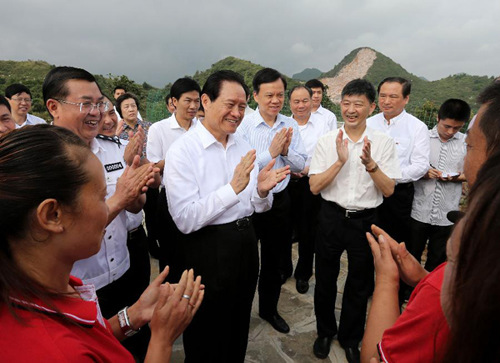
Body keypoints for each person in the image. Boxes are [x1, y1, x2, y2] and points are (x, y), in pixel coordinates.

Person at [0, 125, 203, 362]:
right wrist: (162, 338)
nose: (110, 207)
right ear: (52, 215)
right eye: (101, 196)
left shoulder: (51, 286)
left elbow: (90, 338)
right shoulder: (51, 350)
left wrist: (134, 314)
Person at [360, 81, 500, 363]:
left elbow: (376, 357)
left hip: (402, 195)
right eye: (383, 96)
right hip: (399, 203)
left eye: (469, 144)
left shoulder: (477, 252)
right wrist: (426, 281)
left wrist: (388, 281)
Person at [164, 70, 290, 363]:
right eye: (230, 104)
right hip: (207, 247)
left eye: (243, 106)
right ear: (206, 101)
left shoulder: (243, 146)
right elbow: (184, 219)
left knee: (238, 321)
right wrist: (233, 189)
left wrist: (260, 191)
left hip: (245, 242)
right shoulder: (183, 151)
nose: (236, 113)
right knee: (206, 328)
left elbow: (258, 207)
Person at [43, 66, 157, 360]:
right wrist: (120, 198)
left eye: (100, 104)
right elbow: (57, 231)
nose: (96, 113)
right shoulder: (40, 162)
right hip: (76, 287)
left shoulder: (114, 149)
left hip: (124, 269)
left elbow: (136, 205)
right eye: (85, 104)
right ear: (53, 107)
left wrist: (134, 195)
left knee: (135, 343)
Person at [309, 79, 401, 363]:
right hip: (331, 217)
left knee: (359, 283)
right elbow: (314, 187)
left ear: (371, 107)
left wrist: (371, 164)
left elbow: (388, 190)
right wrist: (339, 161)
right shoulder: (327, 141)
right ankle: (325, 332)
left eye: (358, 104)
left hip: (365, 220)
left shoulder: (383, 143)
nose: (351, 110)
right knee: (324, 278)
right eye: (346, 103)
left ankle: (350, 338)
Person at [237, 67, 307, 334]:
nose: (275, 100)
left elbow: (301, 164)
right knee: (244, 261)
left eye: (280, 95)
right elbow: (242, 166)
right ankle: (241, 310)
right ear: (255, 95)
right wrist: (271, 152)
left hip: (280, 201)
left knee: (274, 260)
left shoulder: (289, 125)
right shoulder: (243, 125)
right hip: (249, 201)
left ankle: (269, 309)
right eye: (269, 95)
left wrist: (286, 151)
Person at [367, 77, 430, 302]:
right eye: (382, 95)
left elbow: (421, 165)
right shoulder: (369, 123)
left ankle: (395, 292)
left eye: (393, 96)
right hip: (369, 192)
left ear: (406, 99)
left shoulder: (417, 127)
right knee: (368, 242)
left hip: (398, 195)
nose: (386, 101)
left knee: (396, 245)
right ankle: (366, 287)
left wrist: (388, 178)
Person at [146, 77, 201, 282]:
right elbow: (152, 165)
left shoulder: (203, 128)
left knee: (196, 251)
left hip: (199, 197)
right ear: (174, 101)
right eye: (188, 100)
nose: (193, 106)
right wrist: (179, 160)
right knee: (170, 253)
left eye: (197, 101)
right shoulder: (159, 129)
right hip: (170, 197)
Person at [408, 99, 470, 272]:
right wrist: (423, 173)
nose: (450, 132)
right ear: (437, 118)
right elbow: (408, 168)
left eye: (456, 128)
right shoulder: (422, 139)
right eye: (446, 126)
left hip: (446, 213)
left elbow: (472, 174)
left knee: (437, 259)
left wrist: (456, 177)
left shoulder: (466, 144)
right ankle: (406, 294)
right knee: (411, 255)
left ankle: (428, 295)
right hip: (419, 210)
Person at [287, 85, 334, 294]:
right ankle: (283, 268)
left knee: (308, 232)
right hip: (285, 182)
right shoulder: (284, 124)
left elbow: (327, 154)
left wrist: (306, 169)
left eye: (305, 100)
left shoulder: (323, 125)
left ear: (312, 100)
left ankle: (303, 273)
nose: (301, 105)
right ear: (290, 103)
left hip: (310, 183)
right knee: (284, 230)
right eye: (296, 101)